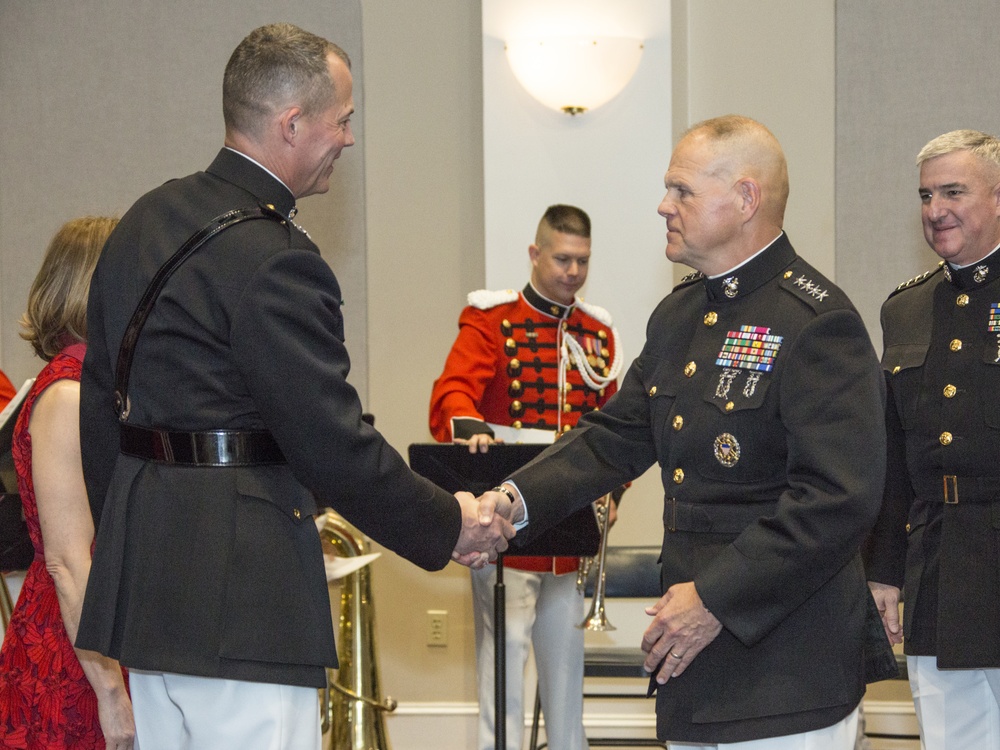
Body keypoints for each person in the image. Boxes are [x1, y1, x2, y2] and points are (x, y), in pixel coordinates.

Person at [75, 23, 514, 750]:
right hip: (244, 599)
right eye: (342, 121)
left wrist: (132, 536)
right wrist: (449, 523)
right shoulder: (277, 257)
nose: (348, 138)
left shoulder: (146, 216)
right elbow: (329, 441)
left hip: (150, 589)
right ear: (292, 124)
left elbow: (100, 406)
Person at [478, 115, 890, 748]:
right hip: (693, 663)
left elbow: (837, 499)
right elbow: (613, 434)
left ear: (746, 199)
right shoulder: (680, 314)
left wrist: (716, 599)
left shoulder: (816, 321)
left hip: (785, 670)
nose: (663, 206)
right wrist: (508, 501)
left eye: (682, 191)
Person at [429, 204, 623, 750]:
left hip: (570, 534)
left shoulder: (597, 334)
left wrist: (612, 492)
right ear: (535, 254)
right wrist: (471, 434)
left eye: (582, 261)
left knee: (567, 678)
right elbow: (452, 393)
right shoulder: (494, 320)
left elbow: (617, 429)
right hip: (506, 533)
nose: (573, 272)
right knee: (504, 674)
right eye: (562, 258)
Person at [866, 129, 1000, 750]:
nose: (935, 210)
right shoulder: (907, 309)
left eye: (953, 191)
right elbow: (894, 457)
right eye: (925, 195)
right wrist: (885, 570)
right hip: (940, 571)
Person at [0, 217, 134, 750]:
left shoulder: (88, 389)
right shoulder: (68, 396)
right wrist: (111, 693)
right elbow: (69, 564)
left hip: (90, 638)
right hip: (74, 652)